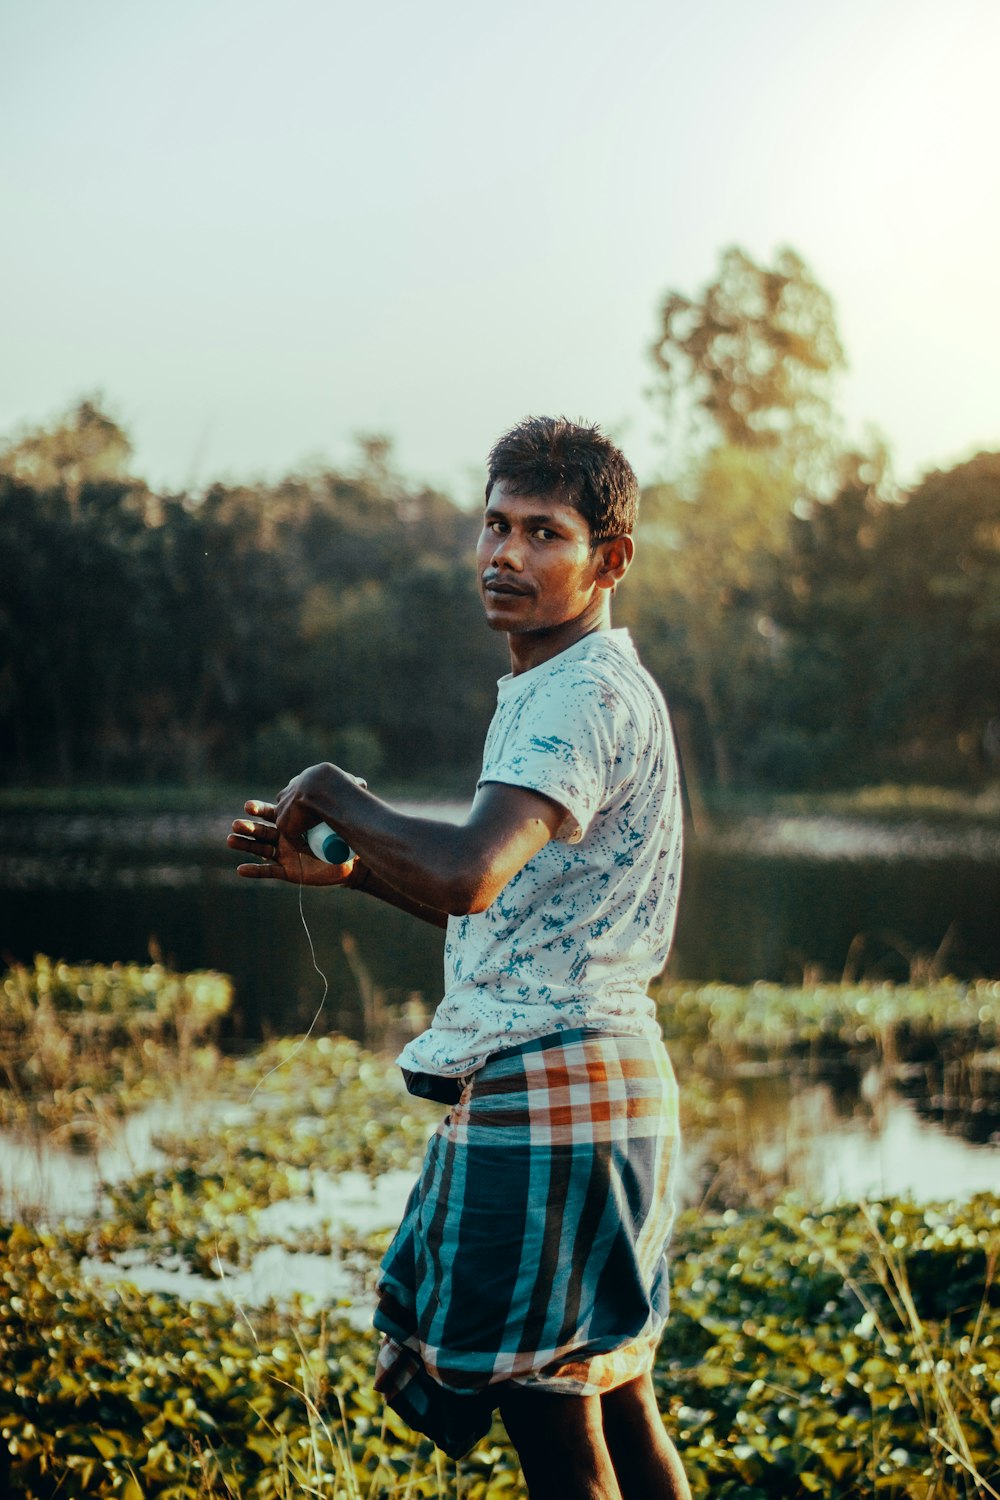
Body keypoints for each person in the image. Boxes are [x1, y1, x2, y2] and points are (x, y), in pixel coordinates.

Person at [228, 416, 690, 1500]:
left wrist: (334, 791)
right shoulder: (576, 684)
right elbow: (498, 913)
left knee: (554, 1422)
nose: (504, 556)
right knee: (614, 1395)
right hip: (611, 1084)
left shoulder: (575, 694)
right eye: (493, 525)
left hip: (552, 1092)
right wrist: (354, 873)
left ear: (608, 561)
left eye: (543, 533)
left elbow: (470, 871)